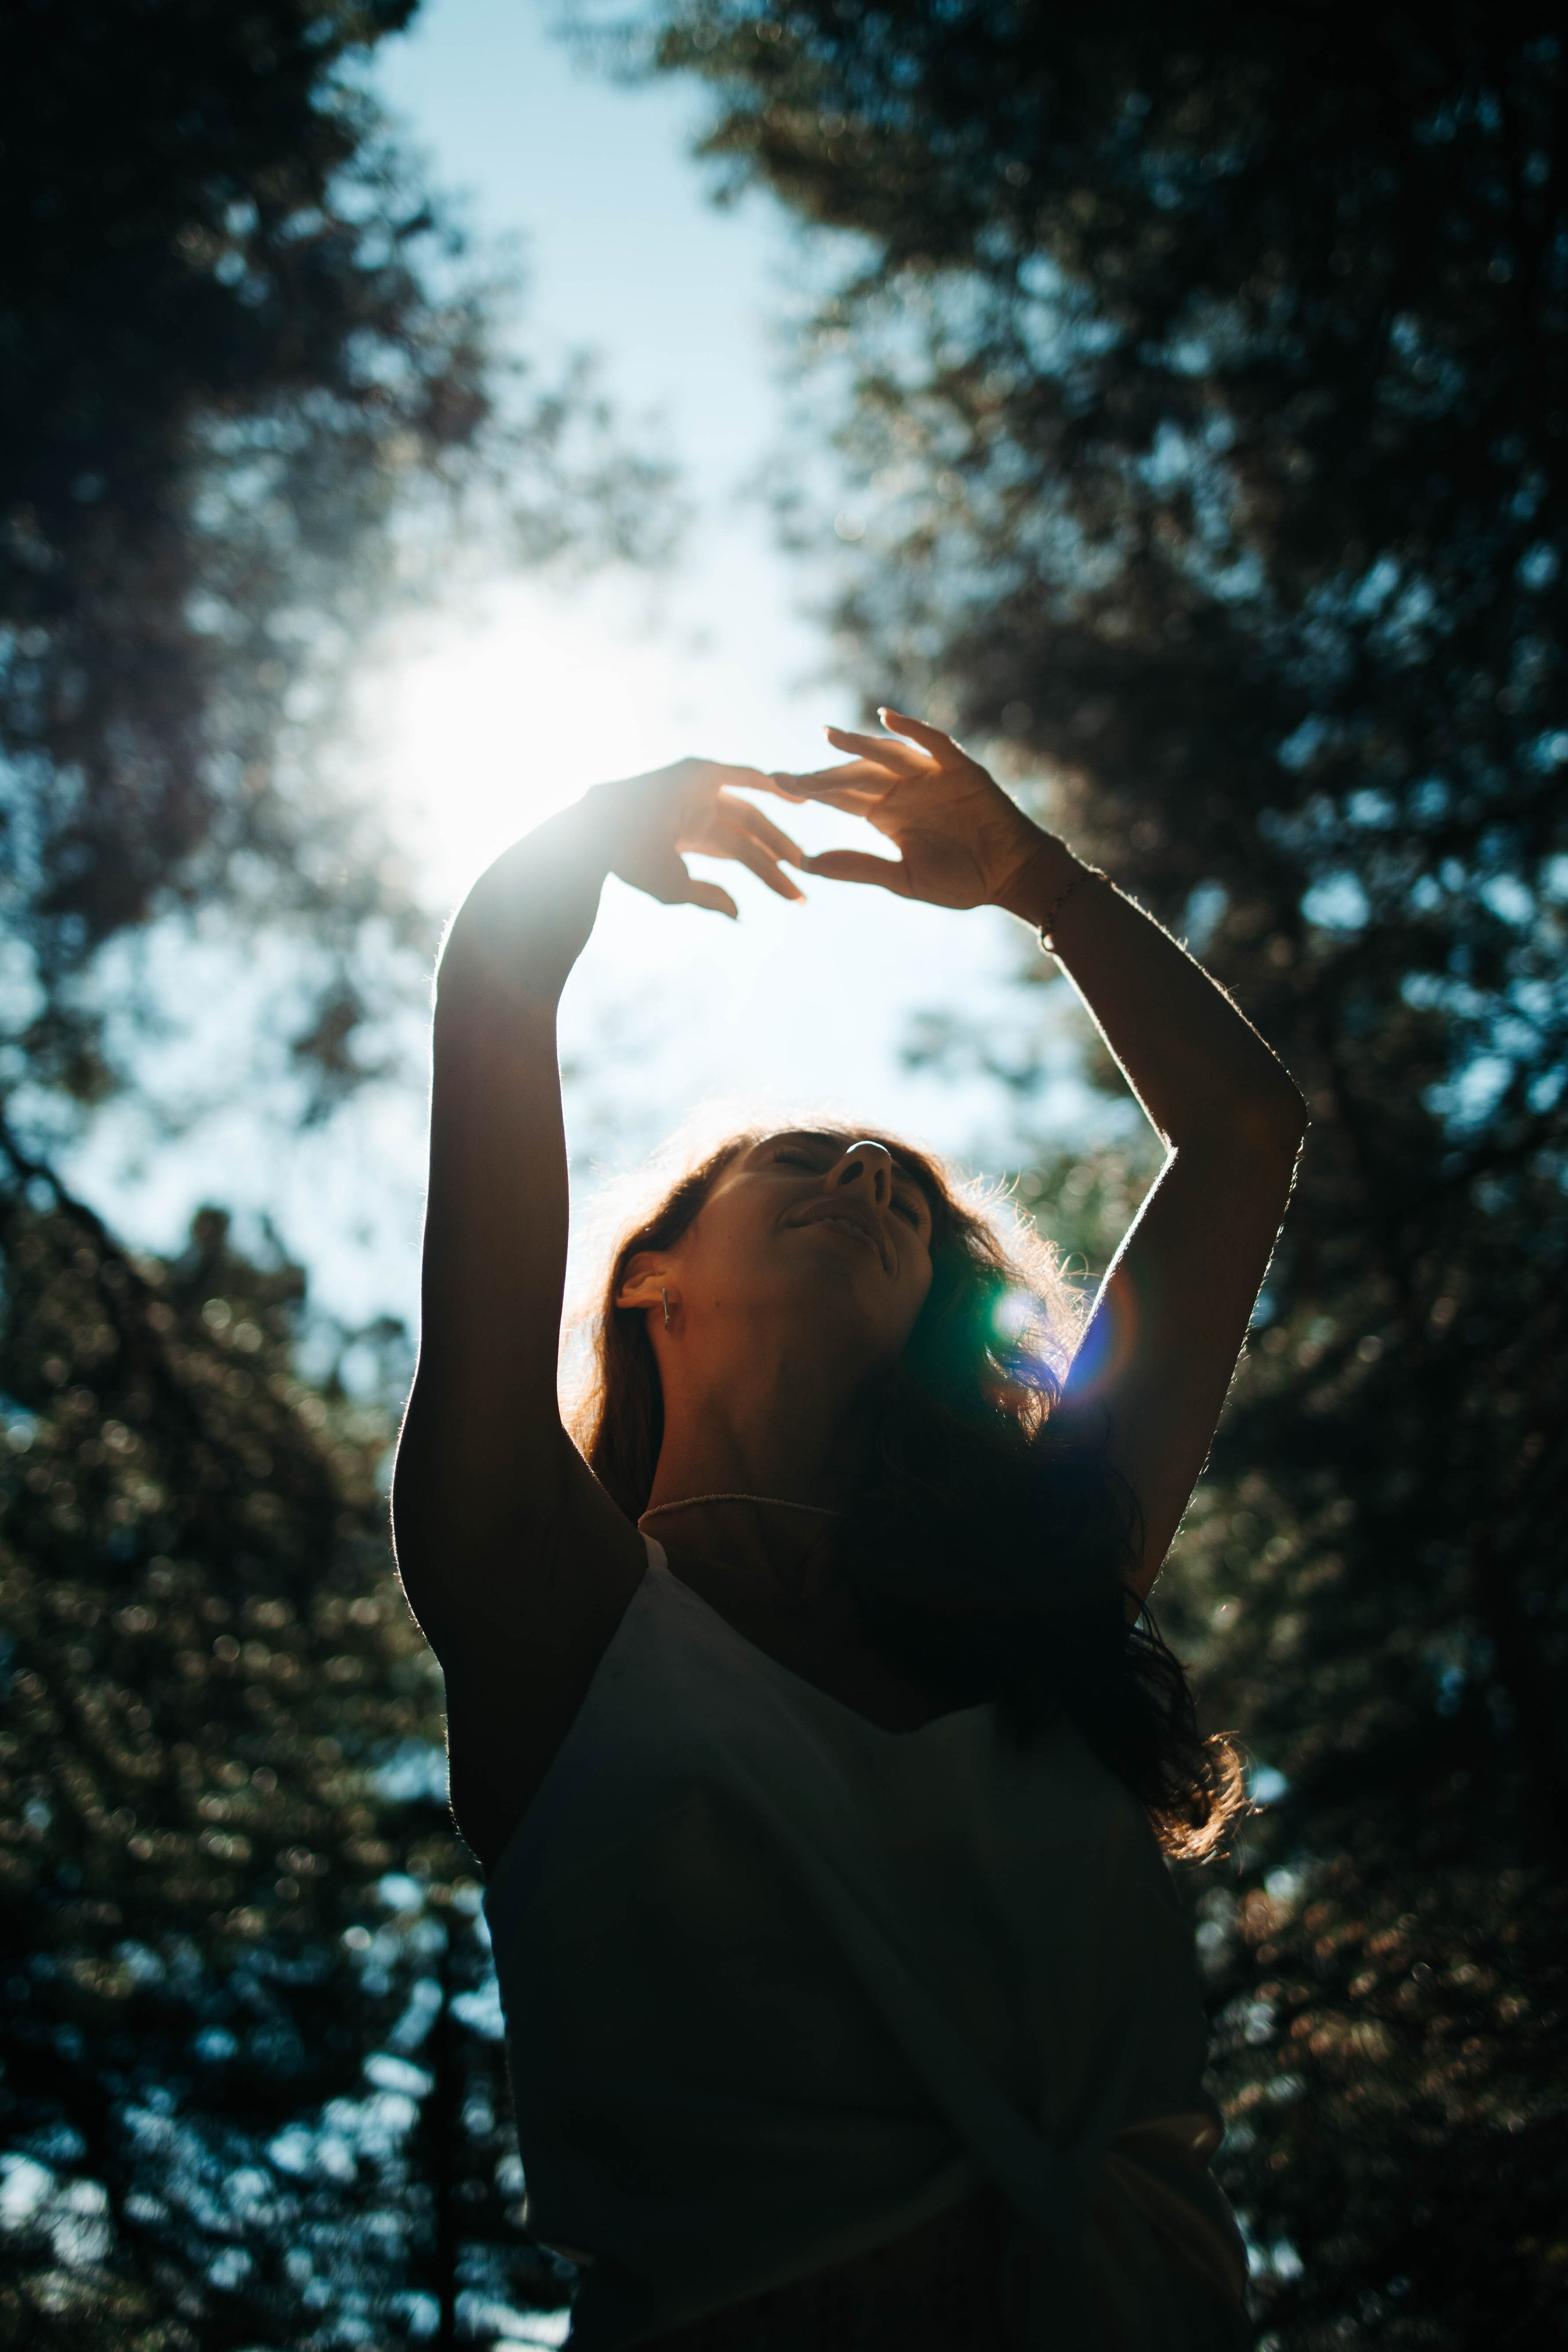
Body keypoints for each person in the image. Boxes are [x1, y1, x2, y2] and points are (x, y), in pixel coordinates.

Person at [391, 711, 1307, 2350]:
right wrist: (591, 829)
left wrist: (1040, 881)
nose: (876, 1176)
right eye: (810, 1163)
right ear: (650, 1275)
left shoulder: (1048, 1579)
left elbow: (1242, 1132)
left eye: (911, 1196)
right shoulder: (538, 1585)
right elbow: (504, 990)